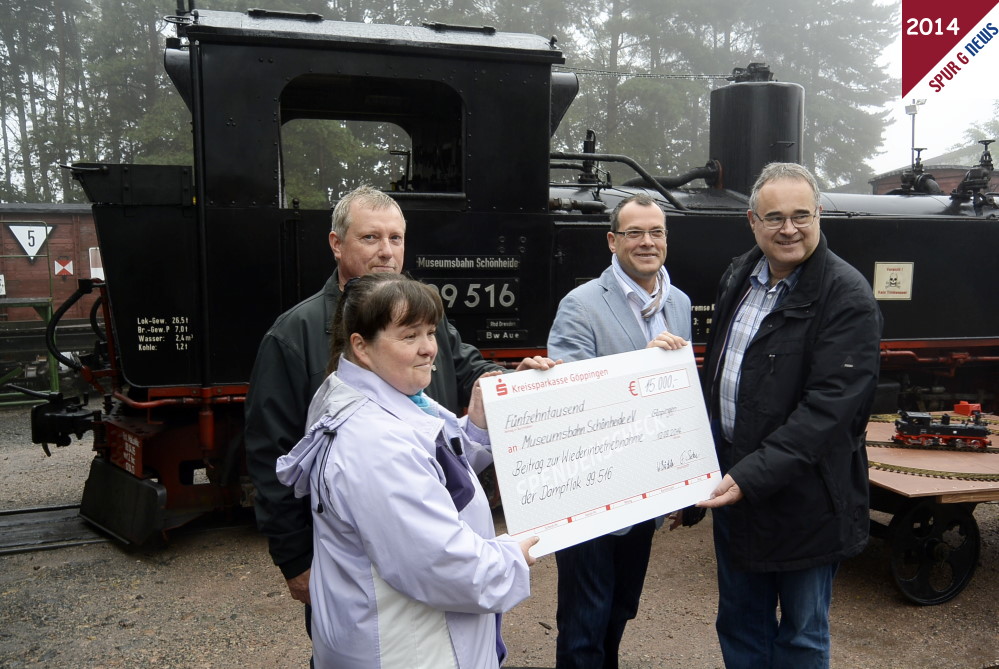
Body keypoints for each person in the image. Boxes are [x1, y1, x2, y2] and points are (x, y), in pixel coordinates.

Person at [244, 185, 552, 634]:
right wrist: (295, 560)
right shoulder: (293, 334)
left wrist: (507, 381)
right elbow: (270, 454)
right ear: (336, 244)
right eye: (371, 238)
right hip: (354, 560)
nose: (386, 251)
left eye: (396, 238)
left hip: (437, 537)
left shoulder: (422, 320)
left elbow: (468, 366)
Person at [276, 273, 538, 668]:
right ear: (362, 347)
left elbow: (440, 466)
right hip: (409, 648)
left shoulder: (388, 398)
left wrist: (479, 426)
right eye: (409, 335)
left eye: (430, 332)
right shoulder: (375, 445)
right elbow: (443, 565)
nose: (428, 349)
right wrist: (510, 557)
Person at [697, 163, 883, 669]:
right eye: (774, 217)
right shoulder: (739, 274)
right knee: (740, 624)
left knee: (801, 636)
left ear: (819, 215)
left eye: (802, 215)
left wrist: (747, 476)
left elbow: (827, 414)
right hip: (740, 490)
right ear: (752, 222)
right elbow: (720, 376)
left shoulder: (846, 298)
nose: (789, 228)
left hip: (807, 500)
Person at [546, 193, 695, 669]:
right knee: (583, 623)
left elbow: (681, 404)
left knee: (619, 611)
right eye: (634, 232)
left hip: (644, 493)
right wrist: (644, 367)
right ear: (613, 241)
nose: (646, 242)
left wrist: (681, 484)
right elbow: (569, 401)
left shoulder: (680, 303)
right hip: (590, 493)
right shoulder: (581, 305)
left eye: (656, 232)